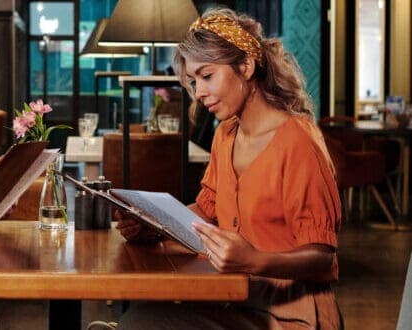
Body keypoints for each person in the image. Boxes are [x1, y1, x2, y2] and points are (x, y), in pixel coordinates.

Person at [113, 8, 341, 330]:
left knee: (142, 323)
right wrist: (153, 225)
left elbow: (322, 258)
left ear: (246, 66)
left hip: (289, 315)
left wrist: (254, 260)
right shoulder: (226, 134)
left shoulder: (299, 142)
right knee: (142, 315)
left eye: (207, 76)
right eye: (194, 81)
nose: (200, 92)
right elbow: (207, 211)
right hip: (234, 297)